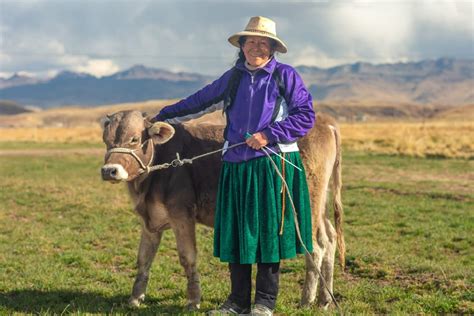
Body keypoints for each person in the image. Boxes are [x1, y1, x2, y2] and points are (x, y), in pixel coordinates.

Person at [153, 16, 315, 316]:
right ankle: (237, 303)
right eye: (250, 41)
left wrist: (269, 134)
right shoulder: (234, 78)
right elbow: (200, 100)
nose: (256, 47)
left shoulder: (285, 76)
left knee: (268, 233)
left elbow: (305, 115)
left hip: (271, 165)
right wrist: (163, 115)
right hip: (236, 164)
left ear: (272, 48)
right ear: (241, 46)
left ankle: (264, 303)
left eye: (262, 42)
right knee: (238, 234)